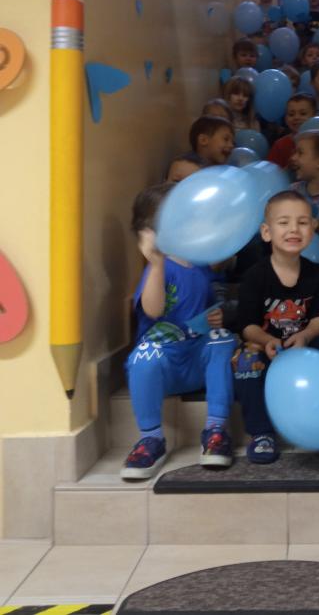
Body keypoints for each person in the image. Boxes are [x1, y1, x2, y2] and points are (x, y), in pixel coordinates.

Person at [121, 183, 236, 479]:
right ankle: (151, 439)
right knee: (143, 356)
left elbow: (208, 307)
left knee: (223, 341)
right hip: (166, 367)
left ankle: (216, 430)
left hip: (196, 361)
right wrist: (156, 264)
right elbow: (153, 310)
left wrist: (215, 316)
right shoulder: (158, 268)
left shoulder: (199, 265)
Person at [233, 190, 319, 463]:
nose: (294, 229)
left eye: (302, 222)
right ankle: (261, 433)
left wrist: (306, 335)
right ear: (267, 232)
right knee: (245, 360)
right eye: (284, 222)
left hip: (305, 344)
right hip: (267, 345)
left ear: (312, 229)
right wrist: (266, 341)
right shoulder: (254, 276)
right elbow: (247, 325)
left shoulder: (315, 272)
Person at [268, 94, 317, 171]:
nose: (296, 117)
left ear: (314, 116)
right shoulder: (279, 146)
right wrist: (288, 169)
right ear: (285, 118)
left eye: (303, 113)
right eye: (291, 114)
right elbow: (271, 173)